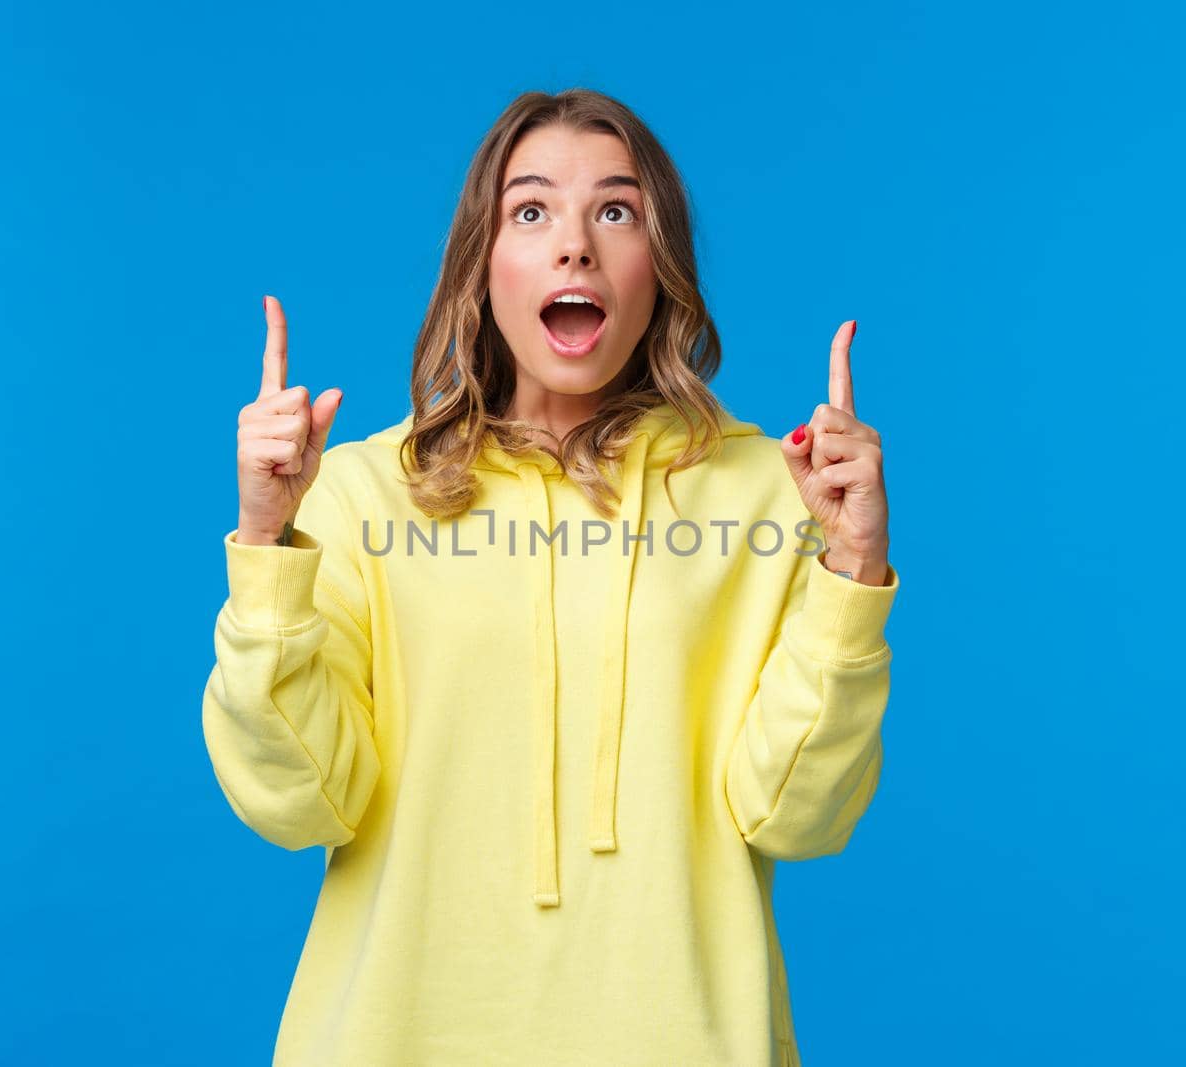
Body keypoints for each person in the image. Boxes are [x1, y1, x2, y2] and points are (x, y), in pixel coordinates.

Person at [202, 88, 900, 1066]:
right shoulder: (359, 492)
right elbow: (301, 802)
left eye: (616, 210)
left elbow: (797, 812)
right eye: (530, 211)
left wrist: (850, 568)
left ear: (659, 266)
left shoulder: (770, 488)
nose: (575, 243)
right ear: (481, 263)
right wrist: (269, 542)